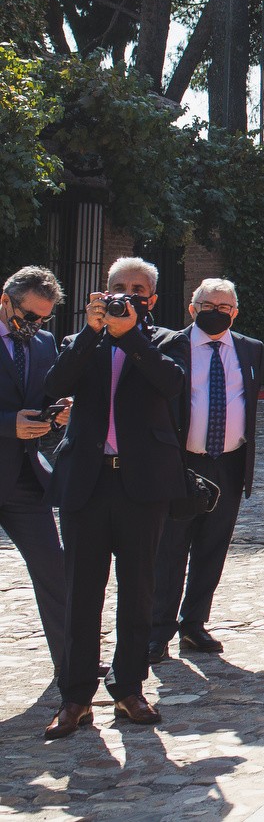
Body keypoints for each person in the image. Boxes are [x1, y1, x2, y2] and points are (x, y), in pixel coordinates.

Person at [43, 256, 190, 739]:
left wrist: (130, 336)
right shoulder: (80, 340)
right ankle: (75, 696)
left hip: (142, 485)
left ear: (151, 297)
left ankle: (129, 688)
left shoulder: (166, 341)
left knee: (138, 588)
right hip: (88, 482)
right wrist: (92, 333)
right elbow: (55, 385)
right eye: (119, 288)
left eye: (138, 289)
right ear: (103, 293)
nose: (128, 295)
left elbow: (171, 384)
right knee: (83, 591)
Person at [150, 279, 264, 663]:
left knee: (212, 548)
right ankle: (158, 630)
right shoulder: (171, 346)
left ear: (236, 312)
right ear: (192, 307)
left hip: (229, 463)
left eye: (225, 306)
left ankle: (194, 624)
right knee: (170, 549)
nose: (217, 311)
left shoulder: (251, 349)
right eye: (209, 304)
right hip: (181, 463)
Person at [1, 266, 71, 689]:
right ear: (5, 300)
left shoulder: (44, 343)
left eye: (43, 319)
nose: (36, 326)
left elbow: (47, 397)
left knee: (55, 570)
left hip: (26, 481)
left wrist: (58, 412)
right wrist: (9, 424)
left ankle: (72, 663)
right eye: (29, 317)